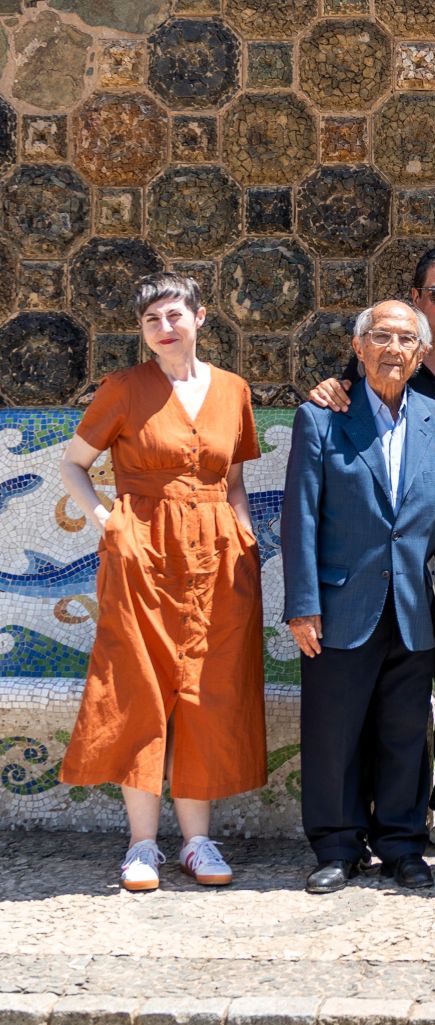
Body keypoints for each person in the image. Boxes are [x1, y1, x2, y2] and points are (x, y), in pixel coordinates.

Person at [59, 273, 266, 892]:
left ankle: (197, 842)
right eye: (152, 320)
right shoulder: (123, 389)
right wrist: (109, 524)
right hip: (141, 554)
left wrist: (245, 537)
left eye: (174, 315)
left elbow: (233, 480)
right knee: (137, 687)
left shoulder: (232, 390)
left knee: (209, 689)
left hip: (219, 558)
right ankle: (142, 845)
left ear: (199, 317)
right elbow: (73, 464)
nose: (164, 328)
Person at [306, 247, 435, 861]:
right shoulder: (374, 366)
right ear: (418, 298)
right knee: (383, 697)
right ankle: (367, 826)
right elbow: (338, 412)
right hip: (382, 559)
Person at [282, 300, 435, 894]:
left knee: (406, 730)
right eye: (382, 337)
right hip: (339, 604)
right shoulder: (322, 418)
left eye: (406, 340)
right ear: (359, 347)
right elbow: (300, 517)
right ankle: (337, 846)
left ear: (421, 354)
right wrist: (302, 603)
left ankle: (401, 844)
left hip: (414, 606)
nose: (394, 349)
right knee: (334, 731)